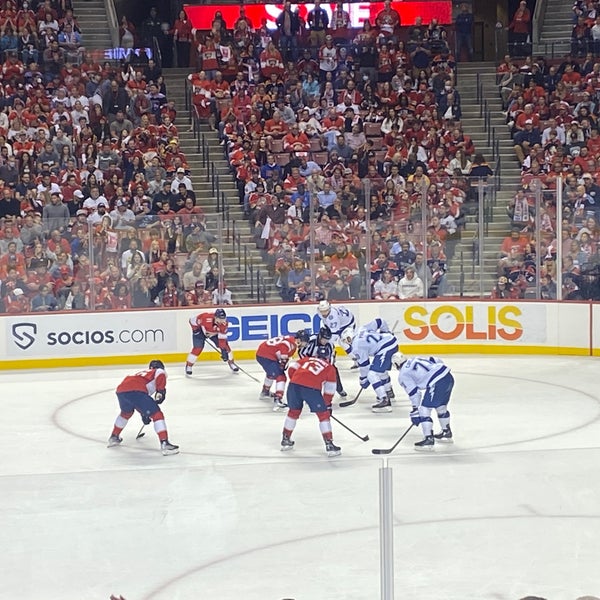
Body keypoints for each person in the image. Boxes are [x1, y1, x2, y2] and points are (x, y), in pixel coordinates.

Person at [107, 360, 179, 456]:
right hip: (136, 390)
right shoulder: (159, 371)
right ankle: (165, 443)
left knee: (126, 413)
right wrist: (161, 391)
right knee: (157, 414)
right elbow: (159, 377)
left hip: (121, 390)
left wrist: (144, 413)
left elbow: (138, 402)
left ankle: (114, 437)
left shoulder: (142, 373)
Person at [280, 349, 341, 457]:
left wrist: (297, 380)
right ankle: (329, 444)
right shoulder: (329, 368)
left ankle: (285, 439)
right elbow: (329, 390)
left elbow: (292, 368)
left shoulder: (306, 359)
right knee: (323, 415)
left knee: (293, 412)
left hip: (293, 385)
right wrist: (326, 405)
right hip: (311, 389)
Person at [393, 353, 454, 449]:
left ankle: (428, 439)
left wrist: (416, 411)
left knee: (424, 410)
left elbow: (414, 393)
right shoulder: (415, 358)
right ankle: (446, 432)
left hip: (437, 382)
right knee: (441, 406)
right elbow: (436, 360)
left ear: (396, 365)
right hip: (448, 376)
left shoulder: (403, 374)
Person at [341, 325, 398, 413]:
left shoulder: (356, 346)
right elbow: (379, 321)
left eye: (348, 339)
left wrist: (363, 380)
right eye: (345, 341)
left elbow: (364, 366)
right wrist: (386, 331)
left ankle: (384, 400)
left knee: (372, 374)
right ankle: (388, 391)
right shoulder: (362, 329)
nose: (348, 342)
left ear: (351, 335)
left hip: (385, 347)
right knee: (380, 371)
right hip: (389, 341)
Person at [256, 332, 305, 410]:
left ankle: (265, 391)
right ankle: (278, 398)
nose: (304, 344)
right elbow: (283, 353)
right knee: (281, 377)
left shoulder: (290, 339)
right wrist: (282, 365)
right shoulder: (290, 344)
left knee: (272, 372)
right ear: (299, 340)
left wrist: (282, 364)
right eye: (304, 341)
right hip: (266, 356)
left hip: (263, 354)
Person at [185, 308, 238, 375]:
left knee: (226, 347)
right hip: (200, 332)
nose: (222, 321)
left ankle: (231, 363)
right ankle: (189, 365)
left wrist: (223, 350)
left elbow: (222, 339)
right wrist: (195, 330)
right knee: (198, 348)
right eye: (220, 319)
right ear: (215, 317)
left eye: (224, 318)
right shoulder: (205, 318)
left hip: (213, 334)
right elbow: (191, 321)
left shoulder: (224, 324)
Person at [298, 325, 347, 398]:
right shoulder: (311, 341)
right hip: (310, 362)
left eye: (327, 339)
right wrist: (309, 363)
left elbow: (331, 358)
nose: (325, 341)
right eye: (324, 339)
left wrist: (327, 368)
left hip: (324, 363)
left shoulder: (330, 344)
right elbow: (301, 353)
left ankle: (339, 389)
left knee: (334, 371)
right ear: (320, 336)